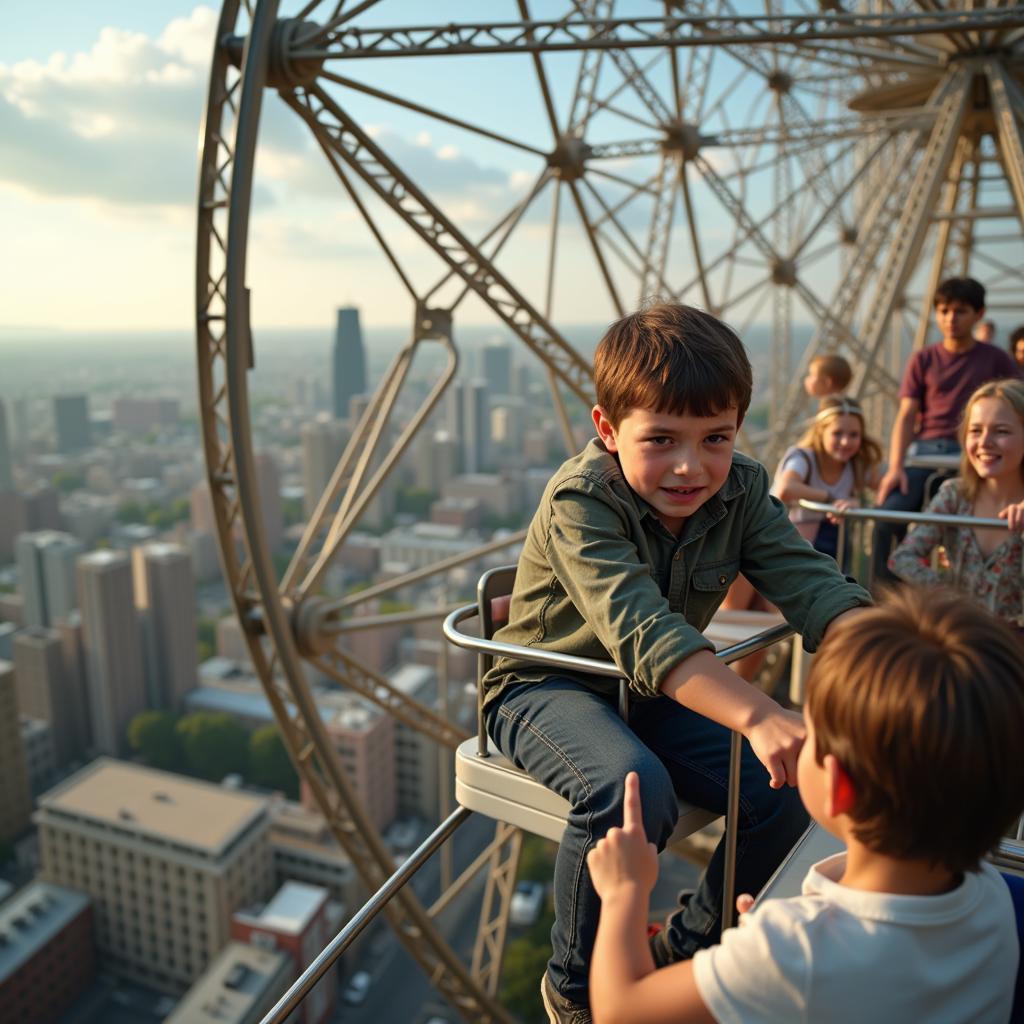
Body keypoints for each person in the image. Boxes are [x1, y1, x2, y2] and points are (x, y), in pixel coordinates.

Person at [482, 303, 872, 1022]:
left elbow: (807, 581)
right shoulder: (580, 501)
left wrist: (880, 650)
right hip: (544, 687)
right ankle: (573, 989)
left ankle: (689, 950)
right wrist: (758, 712)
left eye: (715, 438)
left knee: (784, 788)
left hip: (648, 692)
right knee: (630, 789)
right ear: (608, 430)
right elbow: (644, 629)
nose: (691, 466)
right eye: (660, 439)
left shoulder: (744, 489)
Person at [587, 588, 1024, 1024]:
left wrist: (625, 891)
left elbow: (620, 1010)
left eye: (807, 727)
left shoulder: (797, 951)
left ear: (838, 787)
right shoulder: (994, 900)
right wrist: (768, 954)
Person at [872, 277, 1020, 586]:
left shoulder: (996, 359)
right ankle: (884, 600)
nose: (951, 319)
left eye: (960, 311)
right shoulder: (923, 359)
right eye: (944, 311)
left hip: (971, 453)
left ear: (978, 314)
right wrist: (895, 467)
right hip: (926, 452)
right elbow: (906, 414)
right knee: (887, 518)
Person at [889, 378, 1024, 629]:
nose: (984, 442)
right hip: (962, 636)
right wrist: (950, 593)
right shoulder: (955, 496)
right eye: (976, 431)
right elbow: (903, 557)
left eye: (1001, 431)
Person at [772, 396, 882, 561]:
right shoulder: (803, 458)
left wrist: (857, 504)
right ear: (821, 431)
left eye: (854, 435)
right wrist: (831, 499)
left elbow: (885, 491)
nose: (845, 442)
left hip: (830, 549)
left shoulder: (857, 465)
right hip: (785, 545)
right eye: (837, 433)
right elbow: (786, 489)